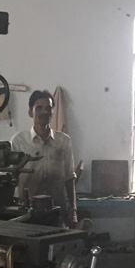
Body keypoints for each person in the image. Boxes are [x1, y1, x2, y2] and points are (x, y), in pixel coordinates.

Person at [10, 89, 79, 227]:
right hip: (27, 212)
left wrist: (73, 207)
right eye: (39, 108)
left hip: (57, 210)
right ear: (30, 112)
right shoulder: (19, 141)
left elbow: (69, 177)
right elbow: (11, 177)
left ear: (52, 112)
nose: (44, 112)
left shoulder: (63, 141)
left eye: (48, 108)